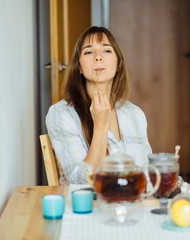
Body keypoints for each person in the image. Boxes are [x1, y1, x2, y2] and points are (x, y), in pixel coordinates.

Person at [46, 26, 152, 185]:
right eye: (88, 52)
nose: (98, 57)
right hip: (88, 207)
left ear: (118, 65)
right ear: (79, 67)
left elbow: (148, 174)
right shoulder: (61, 114)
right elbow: (82, 182)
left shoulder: (134, 114)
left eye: (107, 50)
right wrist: (101, 125)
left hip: (131, 204)